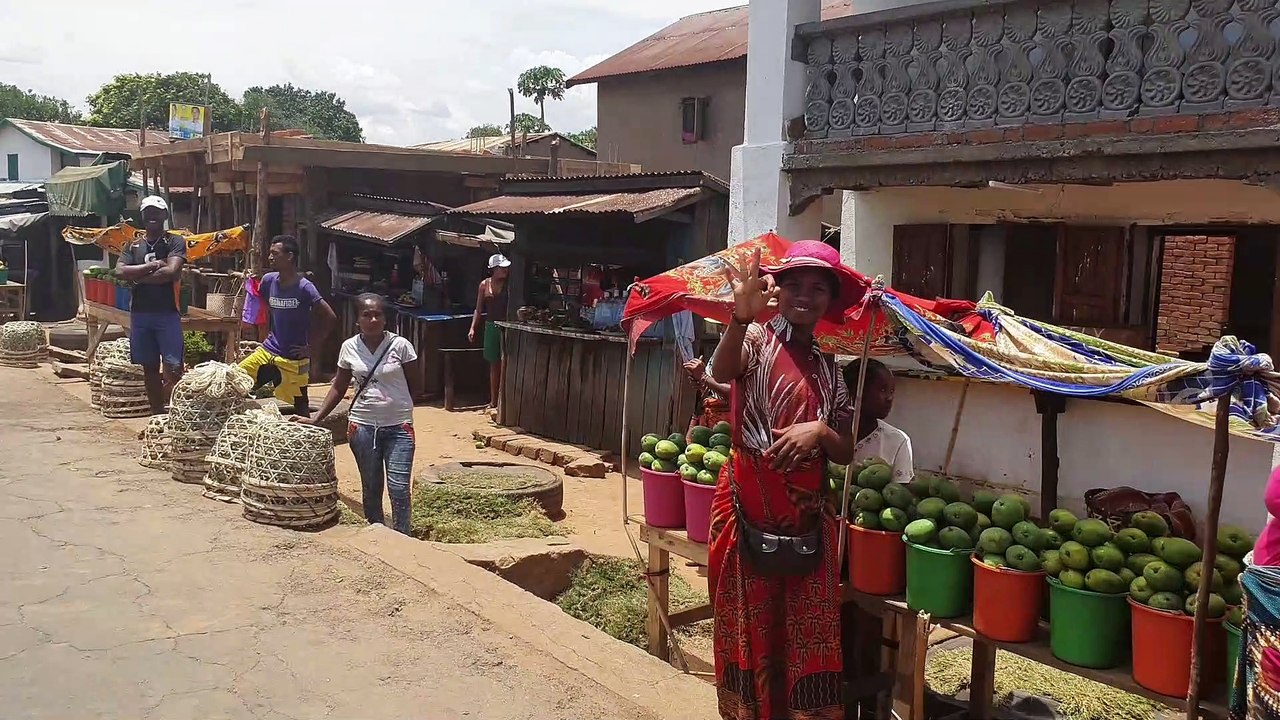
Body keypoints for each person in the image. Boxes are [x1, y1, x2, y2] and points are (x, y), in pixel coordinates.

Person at [707, 240, 858, 720]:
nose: (806, 296)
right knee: (751, 630)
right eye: (795, 285)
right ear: (778, 291)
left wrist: (820, 429)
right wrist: (738, 318)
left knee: (806, 638)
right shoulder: (754, 341)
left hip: (808, 520)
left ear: (828, 301)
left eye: (818, 289)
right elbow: (720, 369)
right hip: (748, 508)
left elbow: (847, 448)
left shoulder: (831, 369)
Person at [298, 294, 419, 535]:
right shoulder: (349, 348)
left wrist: (398, 405)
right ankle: (377, 534)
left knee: (399, 488)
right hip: (362, 427)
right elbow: (339, 386)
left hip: (399, 427)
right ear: (357, 321)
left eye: (378, 314)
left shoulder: (401, 346)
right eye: (367, 314)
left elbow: (414, 381)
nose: (373, 319)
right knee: (371, 488)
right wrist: (316, 418)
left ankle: (404, 539)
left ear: (385, 319)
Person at [239, 236, 337, 417]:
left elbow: (330, 317)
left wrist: (312, 348)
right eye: (270, 253)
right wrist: (267, 333)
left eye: (274, 254)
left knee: (300, 406)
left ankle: (306, 439)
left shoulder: (305, 287)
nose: (269, 257)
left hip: (294, 358)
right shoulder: (268, 280)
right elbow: (264, 305)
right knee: (236, 381)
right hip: (268, 351)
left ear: (290, 256)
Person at [114, 196, 187, 414]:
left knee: (174, 367)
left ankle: (176, 411)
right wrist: (155, 266)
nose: (152, 216)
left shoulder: (174, 241)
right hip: (141, 314)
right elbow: (119, 271)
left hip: (167, 313)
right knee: (149, 367)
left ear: (165, 215)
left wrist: (136, 276)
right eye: (148, 213)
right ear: (142, 216)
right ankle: (156, 412)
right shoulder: (133, 245)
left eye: (157, 212)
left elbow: (172, 272)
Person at [843, 357, 914, 483]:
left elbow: (900, 493)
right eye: (882, 390)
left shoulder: (898, 441)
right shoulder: (829, 434)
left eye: (892, 391)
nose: (889, 398)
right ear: (855, 391)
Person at [468, 253, 510, 410]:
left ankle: (504, 401)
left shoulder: (510, 285)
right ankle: (494, 400)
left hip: (506, 326)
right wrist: (473, 327)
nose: (505, 270)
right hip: (491, 326)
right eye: (501, 268)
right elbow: (478, 309)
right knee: (494, 365)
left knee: (507, 363)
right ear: (493, 269)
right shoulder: (484, 285)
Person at [683, 356, 731, 432]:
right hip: (710, 424)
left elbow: (738, 393)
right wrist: (703, 384)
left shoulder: (747, 351)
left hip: (730, 427)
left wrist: (703, 377)